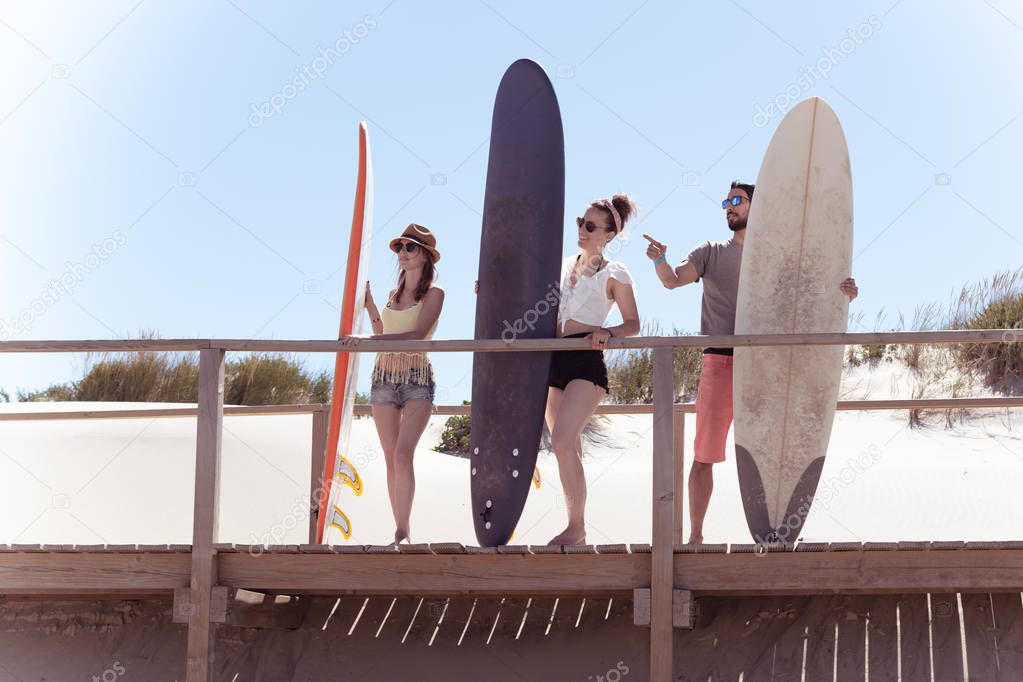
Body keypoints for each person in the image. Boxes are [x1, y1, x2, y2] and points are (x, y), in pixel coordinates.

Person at [643, 181, 858, 544]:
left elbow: (811, 297)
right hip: (720, 362)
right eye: (727, 201)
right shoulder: (710, 251)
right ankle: (695, 537)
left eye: (738, 201)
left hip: (766, 366)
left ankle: (778, 528)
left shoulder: (778, 257)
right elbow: (672, 281)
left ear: (758, 207)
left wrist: (844, 292)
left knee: (774, 448)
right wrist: (660, 260)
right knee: (705, 454)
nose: (729, 206)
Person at [546, 195, 641, 545]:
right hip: (553, 359)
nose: (581, 230)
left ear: (609, 235)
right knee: (565, 448)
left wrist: (608, 332)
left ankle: (577, 527)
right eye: (580, 222)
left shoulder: (615, 272)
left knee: (562, 440)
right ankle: (576, 527)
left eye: (589, 226)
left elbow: (633, 323)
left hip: (586, 361)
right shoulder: (564, 265)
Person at [342, 223, 444, 545]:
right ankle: (399, 528)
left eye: (410, 247)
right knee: (389, 459)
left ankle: (404, 532)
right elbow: (381, 329)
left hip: (416, 379)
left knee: (403, 455)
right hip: (383, 378)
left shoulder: (435, 294)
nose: (402, 252)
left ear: (426, 256)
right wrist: (371, 305)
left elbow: (418, 335)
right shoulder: (392, 295)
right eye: (399, 246)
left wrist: (370, 339)